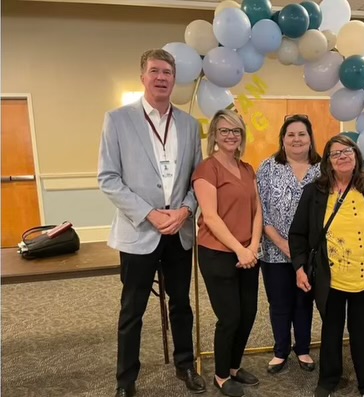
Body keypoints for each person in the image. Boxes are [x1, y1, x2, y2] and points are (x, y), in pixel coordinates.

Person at [98, 48, 205, 397]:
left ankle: (185, 364)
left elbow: (197, 180)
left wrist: (185, 211)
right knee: (133, 310)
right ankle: (125, 380)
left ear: (175, 79)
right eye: (155, 71)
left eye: (168, 73)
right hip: (139, 231)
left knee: (181, 304)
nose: (161, 78)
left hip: (179, 231)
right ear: (142, 76)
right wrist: (150, 213)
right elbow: (109, 178)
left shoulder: (190, 125)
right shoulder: (117, 119)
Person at [289, 135, 364, 397]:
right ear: (328, 162)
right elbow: (298, 233)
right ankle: (328, 378)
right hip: (330, 277)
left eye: (348, 151)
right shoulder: (315, 192)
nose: (343, 156)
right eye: (336, 153)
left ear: (356, 156)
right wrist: (300, 267)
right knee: (331, 331)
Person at [193, 109, 263, 397]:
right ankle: (221, 376)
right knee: (230, 316)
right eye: (224, 130)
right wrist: (238, 249)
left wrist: (252, 246)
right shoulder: (207, 169)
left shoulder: (247, 168)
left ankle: (234, 367)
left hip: (248, 252)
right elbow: (210, 217)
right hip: (218, 253)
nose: (231, 135)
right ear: (214, 136)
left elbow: (257, 210)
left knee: (248, 314)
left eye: (236, 131)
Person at [256, 114, 321, 374]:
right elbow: (261, 211)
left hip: (310, 254)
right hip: (274, 250)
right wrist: (283, 244)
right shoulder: (268, 167)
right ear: (282, 139)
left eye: (301, 134)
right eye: (290, 134)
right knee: (280, 303)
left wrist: (300, 252)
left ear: (310, 138)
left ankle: (303, 349)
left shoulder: (322, 169)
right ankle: (281, 351)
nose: (296, 139)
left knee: (304, 301)